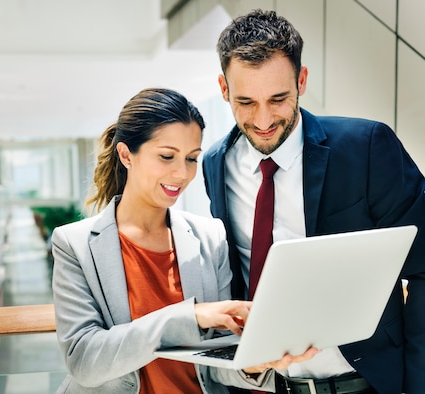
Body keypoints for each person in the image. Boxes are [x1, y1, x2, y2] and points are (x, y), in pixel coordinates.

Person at [202, 9, 425, 394]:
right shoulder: (215, 164)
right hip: (272, 386)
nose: (264, 119)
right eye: (246, 102)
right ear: (224, 89)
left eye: (278, 98)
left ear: (301, 81)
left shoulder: (366, 148)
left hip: (368, 383)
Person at [51, 87, 316, 393]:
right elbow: (85, 361)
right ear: (126, 155)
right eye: (167, 157)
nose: (181, 173)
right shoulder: (75, 244)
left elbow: (214, 366)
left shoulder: (210, 237)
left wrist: (248, 365)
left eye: (192, 159)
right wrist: (188, 317)